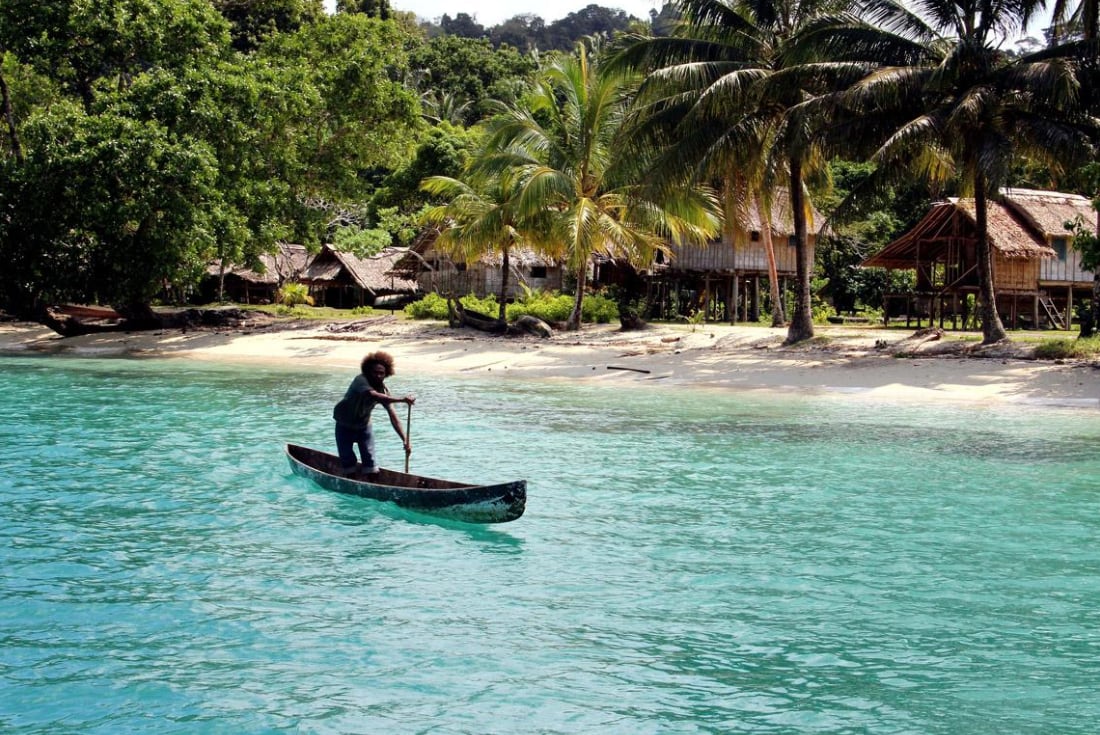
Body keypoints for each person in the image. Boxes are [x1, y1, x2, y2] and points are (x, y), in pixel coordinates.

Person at [332, 351, 415, 477]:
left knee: (370, 464)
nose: (378, 376)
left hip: (363, 426)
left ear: (386, 374)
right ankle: (350, 479)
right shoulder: (360, 380)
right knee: (348, 463)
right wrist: (402, 400)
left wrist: (405, 439)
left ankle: (371, 482)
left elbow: (393, 416)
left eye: (381, 373)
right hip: (344, 424)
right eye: (375, 372)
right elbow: (374, 395)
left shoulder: (383, 390)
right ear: (368, 372)